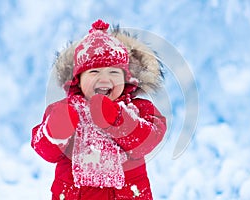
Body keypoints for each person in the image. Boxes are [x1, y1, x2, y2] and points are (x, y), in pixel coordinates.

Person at [31, 19, 167, 200]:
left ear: (126, 79)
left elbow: (148, 140)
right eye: (94, 72)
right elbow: (45, 150)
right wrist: (56, 130)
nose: (104, 79)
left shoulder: (136, 109)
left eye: (114, 72)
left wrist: (118, 119)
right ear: (78, 79)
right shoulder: (63, 110)